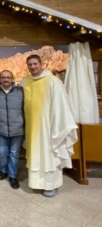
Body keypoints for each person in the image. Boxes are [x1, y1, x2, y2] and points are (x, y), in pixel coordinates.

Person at [22, 54, 77, 197]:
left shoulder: (53, 81)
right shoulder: (25, 81)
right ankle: (37, 183)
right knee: (35, 154)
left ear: (41, 64)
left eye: (35, 64)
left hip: (48, 127)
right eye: (30, 65)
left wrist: (56, 125)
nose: (33, 67)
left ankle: (51, 185)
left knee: (48, 154)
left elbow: (61, 105)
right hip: (32, 127)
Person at [0, 70, 24, 189]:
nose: (6, 79)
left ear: (12, 79)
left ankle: (13, 176)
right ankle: (3, 171)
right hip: (0, 127)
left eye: (8, 77)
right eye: (3, 77)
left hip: (17, 128)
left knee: (14, 153)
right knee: (2, 152)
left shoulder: (20, 91)